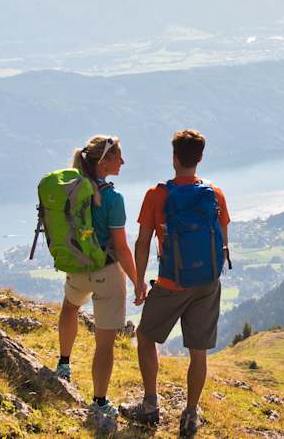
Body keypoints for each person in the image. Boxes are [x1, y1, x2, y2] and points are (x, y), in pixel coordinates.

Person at [120, 129, 230, 437]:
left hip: (171, 282)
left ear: (174, 157)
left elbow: (143, 242)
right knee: (198, 351)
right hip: (206, 283)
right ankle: (191, 414)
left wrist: (140, 281)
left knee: (145, 337)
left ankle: (151, 405)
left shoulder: (157, 195)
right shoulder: (215, 193)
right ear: (200, 158)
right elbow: (223, 242)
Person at [55, 135, 136, 432]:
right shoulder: (113, 199)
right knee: (105, 341)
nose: (123, 162)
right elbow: (121, 247)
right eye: (118, 157)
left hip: (77, 266)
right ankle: (99, 401)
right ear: (104, 162)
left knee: (69, 308)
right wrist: (138, 280)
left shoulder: (72, 190)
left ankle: (63, 364)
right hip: (106, 272)